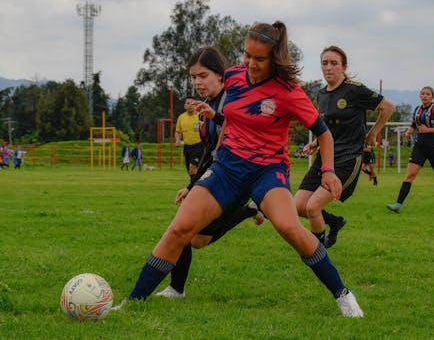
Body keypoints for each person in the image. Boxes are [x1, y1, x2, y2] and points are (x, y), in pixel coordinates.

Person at [114, 21, 364, 317]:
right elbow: (231, 115)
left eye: (259, 59)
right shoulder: (233, 76)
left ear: (274, 59)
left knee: (288, 227)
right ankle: (132, 304)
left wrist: (328, 170)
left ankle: (343, 295)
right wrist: (218, 134)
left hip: (267, 172)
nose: (251, 64)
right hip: (226, 170)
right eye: (247, 55)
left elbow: (324, 134)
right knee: (180, 229)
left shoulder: (288, 92)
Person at [155, 46, 264, 299]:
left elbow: (235, 125)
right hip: (218, 175)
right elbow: (209, 152)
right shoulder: (206, 106)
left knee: (185, 229)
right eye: (193, 77)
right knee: (197, 239)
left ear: (220, 74)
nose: (197, 82)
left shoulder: (233, 98)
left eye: (203, 76)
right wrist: (191, 185)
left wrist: (216, 116)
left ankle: (175, 289)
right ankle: (251, 210)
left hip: (239, 176)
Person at [295, 45, 394, 248]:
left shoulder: (354, 89)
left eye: (334, 63)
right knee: (298, 206)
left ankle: (317, 253)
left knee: (313, 207)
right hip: (325, 157)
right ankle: (335, 222)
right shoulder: (321, 94)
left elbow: (388, 106)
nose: (328, 67)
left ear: (344, 67)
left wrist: (373, 132)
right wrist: (315, 143)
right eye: (324, 63)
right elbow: (327, 127)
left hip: (348, 157)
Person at [387, 86, 434, 213]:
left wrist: (428, 130)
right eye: (423, 93)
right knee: (410, 175)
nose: (425, 96)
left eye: (428, 94)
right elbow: (414, 125)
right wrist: (407, 132)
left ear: (432, 97)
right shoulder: (417, 109)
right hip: (420, 147)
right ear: (420, 96)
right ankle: (398, 204)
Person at [176, 97, 204, 182]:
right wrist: (178, 140)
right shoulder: (181, 117)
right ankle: (196, 185)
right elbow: (178, 131)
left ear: (196, 105)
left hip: (199, 146)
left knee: (193, 167)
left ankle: (193, 189)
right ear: (185, 106)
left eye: (192, 103)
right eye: (188, 103)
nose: (190, 105)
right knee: (190, 171)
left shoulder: (200, 115)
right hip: (187, 147)